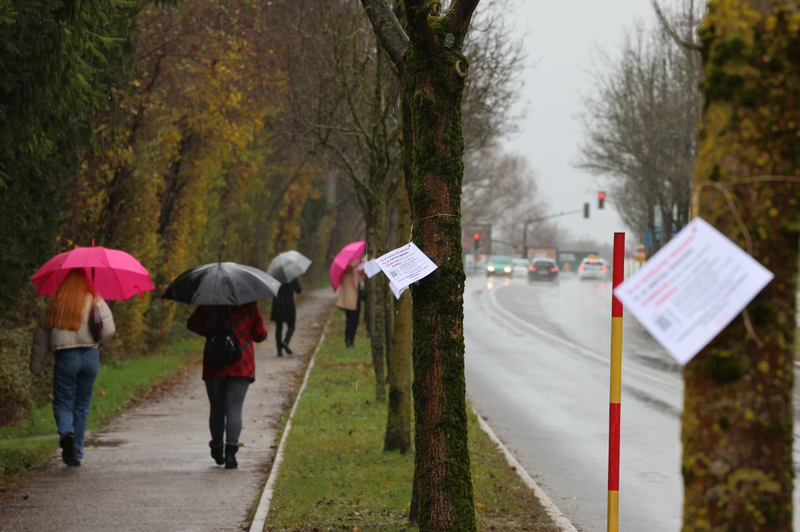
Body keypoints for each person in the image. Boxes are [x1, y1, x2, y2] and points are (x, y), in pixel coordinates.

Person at [30, 268, 116, 467]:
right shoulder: (95, 300)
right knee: (82, 405)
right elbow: (109, 330)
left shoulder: (55, 302)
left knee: (63, 402)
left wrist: (37, 365)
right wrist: (95, 336)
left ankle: (67, 432)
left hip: (66, 357)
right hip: (90, 357)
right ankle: (76, 453)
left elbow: (41, 339)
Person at [187, 302, 267, 469]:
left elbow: (193, 325)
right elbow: (260, 335)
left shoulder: (208, 304)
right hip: (241, 363)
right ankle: (231, 453)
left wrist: (213, 330)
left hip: (214, 363)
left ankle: (217, 447)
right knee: (234, 408)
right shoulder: (248, 304)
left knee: (216, 408)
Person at [336, 258, 364, 348]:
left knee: (355, 321)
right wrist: (361, 261)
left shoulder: (354, 270)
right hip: (350, 299)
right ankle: (349, 341)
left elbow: (361, 272)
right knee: (351, 320)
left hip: (356, 298)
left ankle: (350, 339)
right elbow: (350, 266)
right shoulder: (347, 269)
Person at [270, 278, 302, 357]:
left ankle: (279, 350)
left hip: (278, 305)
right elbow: (298, 290)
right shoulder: (291, 276)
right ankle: (285, 342)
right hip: (288, 305)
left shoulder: (275, 277)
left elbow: (271, 290)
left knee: (278, 328)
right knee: (291, 326)